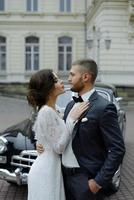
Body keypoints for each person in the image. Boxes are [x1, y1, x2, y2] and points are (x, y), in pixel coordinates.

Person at [37, 59, 125, 200]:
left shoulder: (104, 107)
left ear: (85, 77)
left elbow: (117, 149)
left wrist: (98, 182)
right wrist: (44, 144)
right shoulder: (70, 105)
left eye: (72, 75)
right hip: (62, 177)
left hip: (85, 180)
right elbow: (63, 135)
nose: (69, 79)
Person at [27, 69, 89, 200]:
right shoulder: (45, 112)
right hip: (46, 172)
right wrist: (71, 119)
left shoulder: (54, 110)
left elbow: (45, 137)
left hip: (53, 169)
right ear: (48, 88)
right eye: (55, 80)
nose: (61, 81)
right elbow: (59, 148)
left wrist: (41, 144)